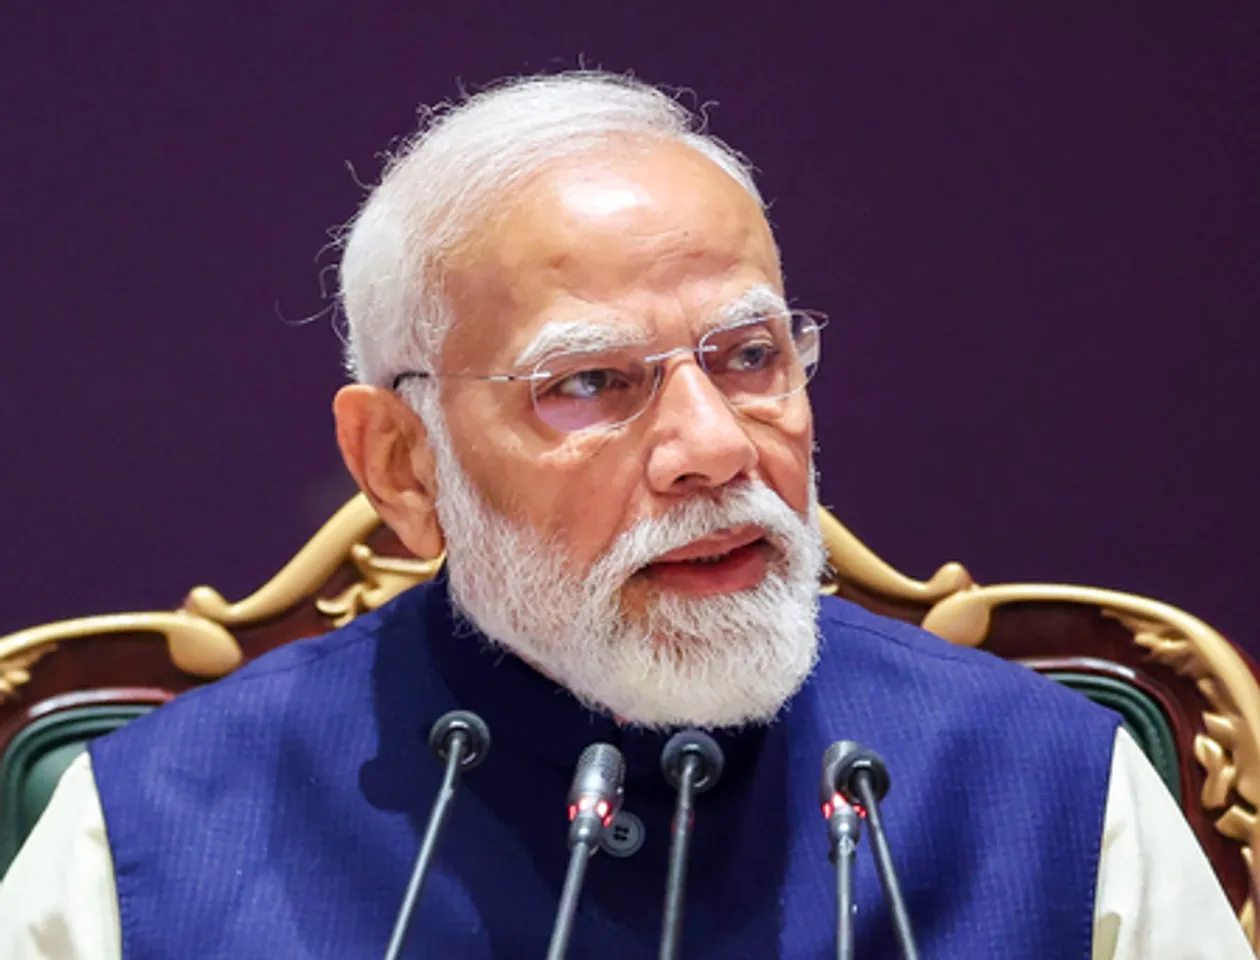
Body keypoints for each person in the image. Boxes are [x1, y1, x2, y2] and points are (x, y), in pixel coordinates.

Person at [0, 72, 1249, 959]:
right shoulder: (151, 838)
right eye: (590, 382)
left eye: (751, 355)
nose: (711, 448)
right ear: (402, 464)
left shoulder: (1053, 793)